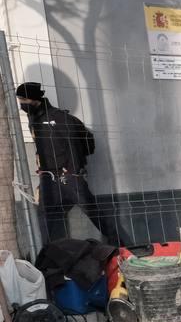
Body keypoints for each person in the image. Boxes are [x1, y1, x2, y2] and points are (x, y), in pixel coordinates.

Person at [15, 82, 120, 245]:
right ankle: (44, 257)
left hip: (69, 176)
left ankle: (120, 246)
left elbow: (79, 145)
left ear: (34, 99)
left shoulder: (60, 118)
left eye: (23, 100)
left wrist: (74, 171)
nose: (21, 104)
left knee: (94, 213)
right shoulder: (33, 118)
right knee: (43, 219)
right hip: (48, 178)